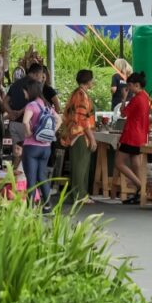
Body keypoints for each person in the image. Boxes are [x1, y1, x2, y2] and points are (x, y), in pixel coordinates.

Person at [60, 69, 98, 203]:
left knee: (80, 165)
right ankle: (79, 195)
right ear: (88, 81)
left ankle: (79, 193)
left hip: (76, 133)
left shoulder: (76, 93)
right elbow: (82, 119)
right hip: (80, 134)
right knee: (80, 166)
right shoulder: (82, 95)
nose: (93, 82)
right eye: (92, 79)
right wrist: (92, 138)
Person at [21, 80, 60, 208]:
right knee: (42, 176)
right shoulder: (47, 106)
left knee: (31, 178)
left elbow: (26, 121)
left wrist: (28, 134)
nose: (24, 94)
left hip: (31, 147)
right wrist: (52, 133)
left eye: (25, 91)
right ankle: (48, 206)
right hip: (46, 147)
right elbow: (59, 119)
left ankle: (30, 207)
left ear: (30, 91)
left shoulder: (31, 105)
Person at [117, 72, 151, 205]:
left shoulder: (136, 98)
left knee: (119, 163)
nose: (128, 88)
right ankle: (140, 191)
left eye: (130, 86)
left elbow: (123, 113)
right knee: (135, 163)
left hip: (131, 135)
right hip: (141, 135)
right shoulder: (145, 96)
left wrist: (124, 98)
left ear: (137, 85)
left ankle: (141, 187)